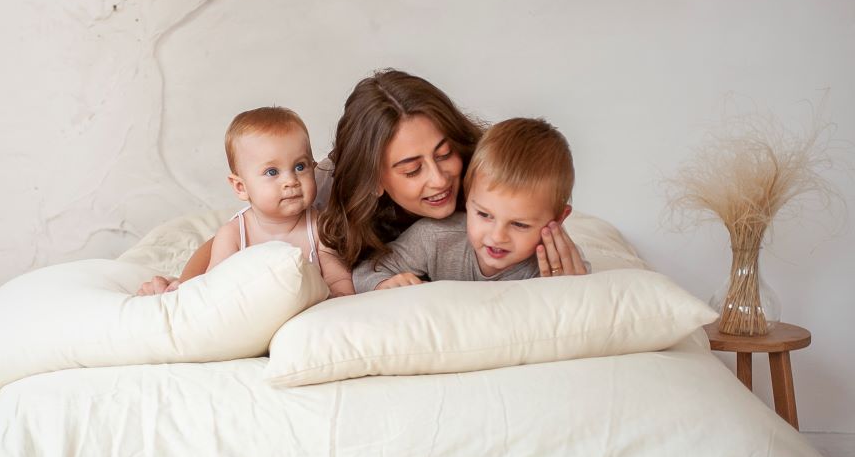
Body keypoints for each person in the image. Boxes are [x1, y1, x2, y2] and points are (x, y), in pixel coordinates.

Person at [137, 69, 586, 294]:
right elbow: (235, 229)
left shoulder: (482, 167)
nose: (438, 178)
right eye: (411, 169)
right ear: (375, 179)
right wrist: (183, 283)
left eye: (444, 153)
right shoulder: (330, 190)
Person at [140, 106, 354, 298]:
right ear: (241, 187)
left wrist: (339, 298)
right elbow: (212, 289)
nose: (291, 181)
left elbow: (338, 279)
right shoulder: (234, 234)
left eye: (300, 166)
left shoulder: (318, 227)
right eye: (272, 172)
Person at [352, 117, 585, 292]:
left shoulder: (552, 263)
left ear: (558, 219)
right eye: (484, 214)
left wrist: (567, 290)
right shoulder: (435, 237)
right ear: (467, 194)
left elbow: (582, 299)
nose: (497, 236)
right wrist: (385, 283)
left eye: (520, 225)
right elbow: (366, 271)